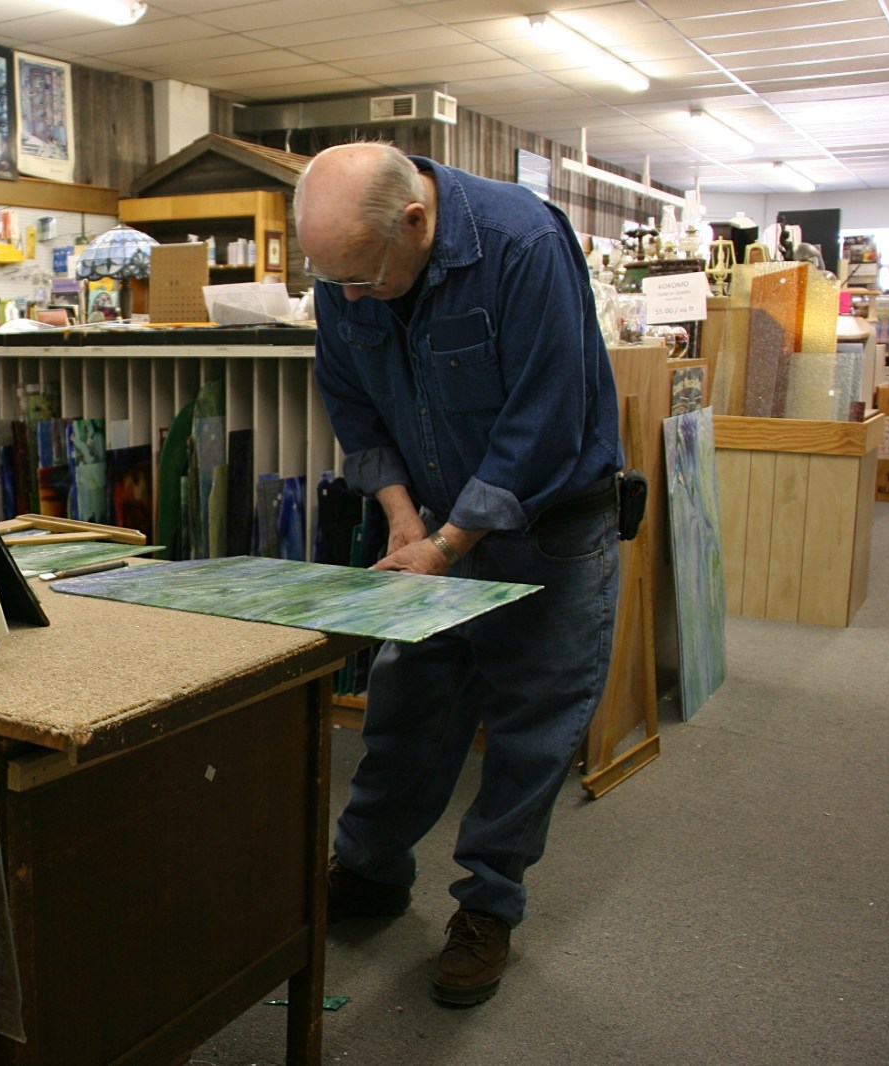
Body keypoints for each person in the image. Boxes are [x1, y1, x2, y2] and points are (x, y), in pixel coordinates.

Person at [293, 141, 623, 1007]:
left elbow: (546, 421)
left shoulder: (522, 245)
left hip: (550, 526)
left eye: (363, 278)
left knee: (529, 727)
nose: (351, 297)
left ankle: (488, 906)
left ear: (415, 220)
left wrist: (444, 547)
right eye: (336, 284)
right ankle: (368, 871)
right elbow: (351, 400)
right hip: (436, 523)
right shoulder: (346, 275)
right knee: (408, 704)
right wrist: (405, 520)